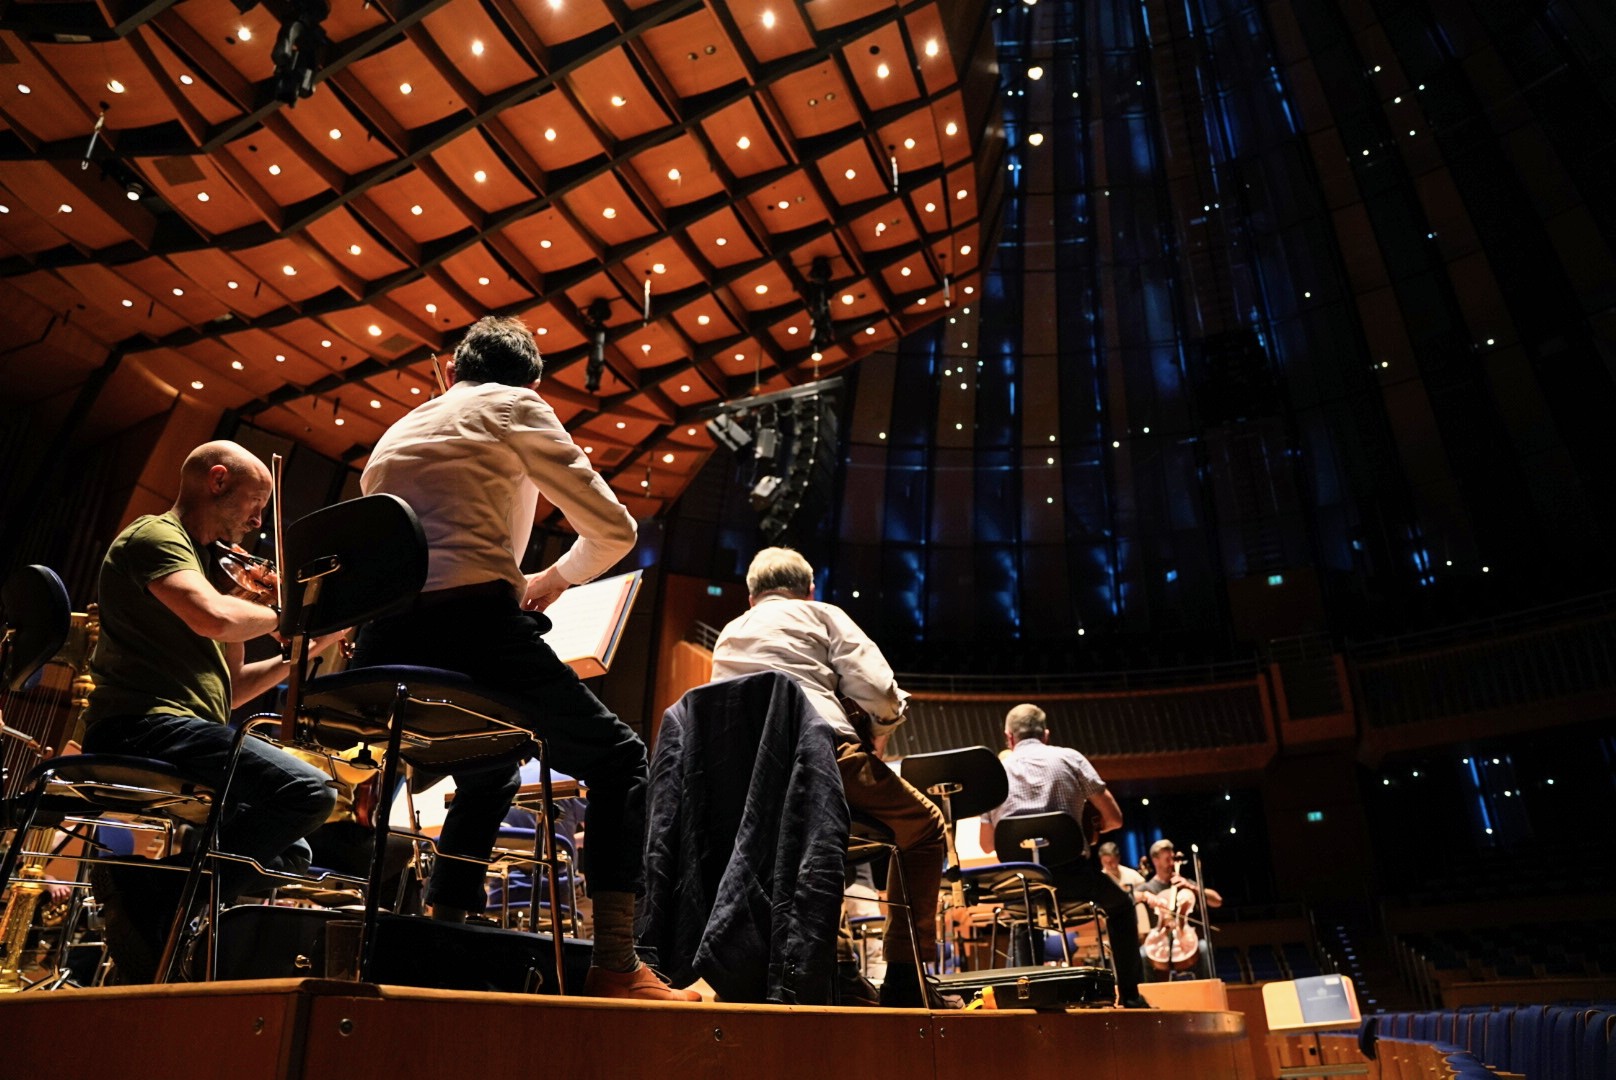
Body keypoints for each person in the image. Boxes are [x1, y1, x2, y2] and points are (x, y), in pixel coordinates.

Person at [353, 315, 694, 1002]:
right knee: (621, 758)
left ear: (451, 370)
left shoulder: (400, 429)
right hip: (471, 632)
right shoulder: (516, 405)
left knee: (491, 771)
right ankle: (618, 966)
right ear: (534, 383)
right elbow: (615, 530)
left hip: (380, 648)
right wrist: (552, 581)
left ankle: (444, 931)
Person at [81, 441, 340, 982]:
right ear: (217, 480)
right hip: (139, 726)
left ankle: (156, 899)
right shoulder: (156, 536)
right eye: (257, 503)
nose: (259, 520)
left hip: (185, 729)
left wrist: (303, 649)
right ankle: (164, 895)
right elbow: (212, 619)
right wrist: (284, 610)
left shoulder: (219, 574)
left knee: (290, 852)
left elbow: (235, 686)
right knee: (311, 791)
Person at [709, 546, 947, 1008]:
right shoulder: (821, 614)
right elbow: (880, 690)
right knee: (926, 827)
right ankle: (905, 973)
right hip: (820, 753)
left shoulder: (729, 633)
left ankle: (836, 967)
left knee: (812, 837)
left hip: (742, 780)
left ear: (751, 596)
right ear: (809, 589)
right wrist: (878, 735)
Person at [978, 703, 1149, 1007]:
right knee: (1122, 907)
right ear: (1045, 734)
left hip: (1021, 886)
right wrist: (1090, 832)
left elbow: (987, 845)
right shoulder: (1070, 758)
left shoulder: (994, 772)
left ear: (1008, 737)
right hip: (1074, 880)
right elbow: (1115, 819)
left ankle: (1029, 1001)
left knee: (1025, 915)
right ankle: (1131, 996)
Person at [1138, 837, 1222, 975]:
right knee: (1142, 954)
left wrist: (1192, 887)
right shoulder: (1148, 887)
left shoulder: (1184, 883)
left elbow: (1217, 901)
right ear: (1155, 860)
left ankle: (1207, 992)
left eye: (1172, 858)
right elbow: (1129, 896)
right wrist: (1145, 896)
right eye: (1167, 859)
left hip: (1184, 938)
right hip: (1160, 940)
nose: (1171, 863)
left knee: (1204, 948)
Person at [1097, 840, 1150, 943]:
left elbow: (1146, 891)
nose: (1110, 865)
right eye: (1106, 862)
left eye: (1112, 861)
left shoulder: (1131, 874)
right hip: (1112, 925)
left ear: (1118, 858)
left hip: (1137, 924)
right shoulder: (1100, 880)